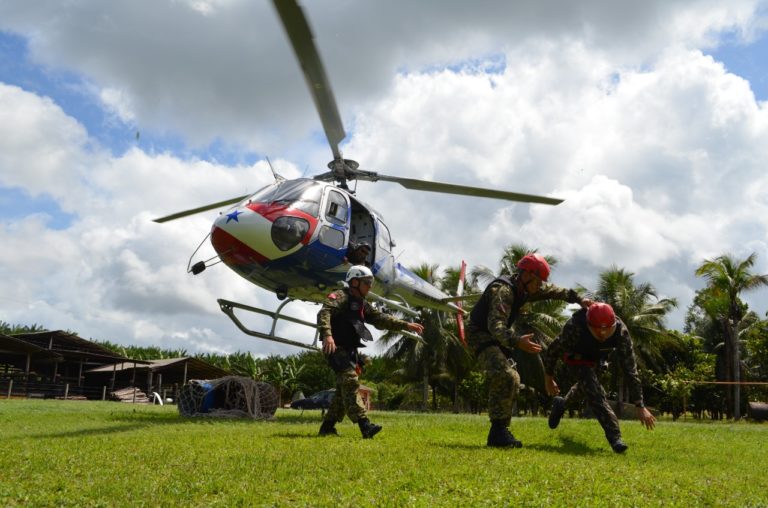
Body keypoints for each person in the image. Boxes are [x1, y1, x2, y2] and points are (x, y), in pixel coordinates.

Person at [466, 253, 591, 448]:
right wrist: (517, 341)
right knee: (506, 375)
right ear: (526, 275)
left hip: (496, 336)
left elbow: (553, 291)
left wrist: (579, 299)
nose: (540, 286)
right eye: (538, 281)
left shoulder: (525, 288)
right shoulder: (504, 291)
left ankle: (499, 431)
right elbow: (495, 325)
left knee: (513, 378)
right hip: (479, 334)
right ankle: (498, 433)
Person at [317, 265, 424, 438]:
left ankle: (327, 427)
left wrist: (405, 325)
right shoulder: (341, 296)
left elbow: (380, 318)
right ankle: (365, 426)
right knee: (350, 382)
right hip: (335, 349)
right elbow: (324, 312)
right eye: (367, 282)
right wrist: (327, 335)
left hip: (350, 351)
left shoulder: (362, 304)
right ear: (354, 282)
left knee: (343, 391)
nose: (370, 286)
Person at [543, 302, 656, 453]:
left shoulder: (621, 332)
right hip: (575, 358)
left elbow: (630, 369)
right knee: (595, 392)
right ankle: (615, 438)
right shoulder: (575, 326)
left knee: (586, 387)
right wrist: (548, 378)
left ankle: (562, 403)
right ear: (588, 325)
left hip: (597, 360)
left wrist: (640, 404)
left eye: (606, 330)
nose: (602, 334)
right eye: (597, 331)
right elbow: (553, 350)